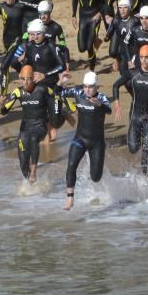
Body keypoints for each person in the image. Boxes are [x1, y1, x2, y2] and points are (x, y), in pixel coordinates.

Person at [112, 44, 148, 173]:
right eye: (141, 57)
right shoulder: (133, 73)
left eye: (146, 57)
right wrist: (117, 103)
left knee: (146, 150)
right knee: (133, 148)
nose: (144, 60)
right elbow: (116, 85)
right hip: (135, 116)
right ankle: (140, 143)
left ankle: (145, 178)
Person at [59, 72, 112, 210]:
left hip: (97, 143)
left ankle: (102, 180)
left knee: (95, 177)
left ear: (96, 86)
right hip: (80, 138)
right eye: (85, 86)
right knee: (71, 164)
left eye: (91, 87)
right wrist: (60, 82)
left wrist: (100, 104)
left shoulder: (102, 98)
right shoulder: (78, 93)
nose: (87, 90)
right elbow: (58, 92)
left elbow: (109, 110)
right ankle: (70, 198)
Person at [2, 65, 56, 183]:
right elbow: (4, 111)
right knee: (22, 162)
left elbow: (57, 98)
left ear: (33, 78)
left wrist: (57, 120)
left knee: (33, 139)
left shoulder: (43, 89)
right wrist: (2, 104)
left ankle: (34, 172)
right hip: (25, 128)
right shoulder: (18, 92)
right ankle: (31, 186)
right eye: (23, 79)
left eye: (28, 79)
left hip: (40, 126)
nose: (25, 82)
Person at [71, 0, 108, 70]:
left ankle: (92, 69)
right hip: (83, 17)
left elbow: (105, 2)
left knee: (89, 46)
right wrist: (73, 15)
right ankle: (95, 40)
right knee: (82, 48)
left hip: (94, 18)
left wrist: (100, 13)